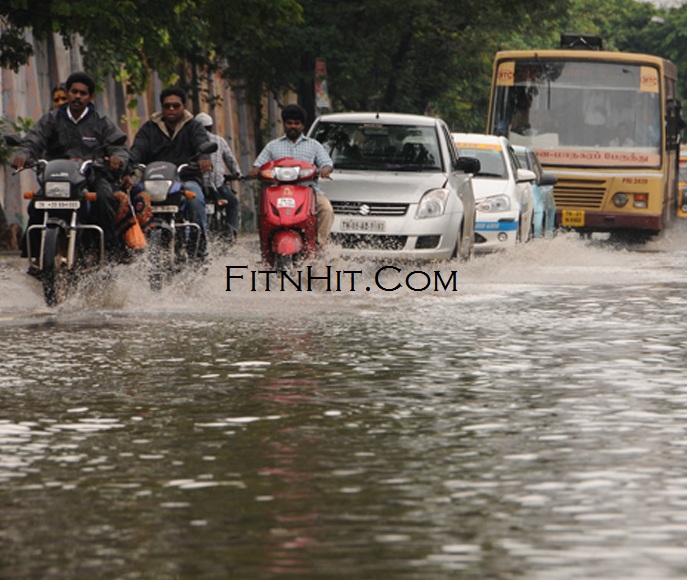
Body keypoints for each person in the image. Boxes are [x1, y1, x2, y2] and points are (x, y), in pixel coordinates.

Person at [12, 71, 129, 261]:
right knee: (36, 205)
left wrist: (117, 157)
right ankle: (34, 256)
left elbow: (119, 146)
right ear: (68, 93)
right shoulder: (51, 120)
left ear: (90, 97)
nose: (77, 96)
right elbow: (33, 141)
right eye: (74, 92)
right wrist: (24, 154)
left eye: (83, 93)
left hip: (91, 176)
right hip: (58, 176)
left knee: (106, 199)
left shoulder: (101, 122)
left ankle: (107, 253)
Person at [127, 87, 212, 258]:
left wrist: (203, 157)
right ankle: (131, 249)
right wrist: (128, 164)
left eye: (176, 105)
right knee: (130, 199)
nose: (171, 109)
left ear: (183, 106)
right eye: (167, 106)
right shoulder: (150, 128)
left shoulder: (193, 126)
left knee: (196, 199)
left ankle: (198, 249)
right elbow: (137, 149)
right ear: (162, 107)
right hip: (154, 182)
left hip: (185, 179)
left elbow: (202, 142)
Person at [248, 104, 334, 248]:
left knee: (326, 209)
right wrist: (255, 171)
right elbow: (259, 165)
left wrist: (325, 170)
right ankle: (266, 244)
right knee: (263, 211)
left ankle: (319, 243)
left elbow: (327, 163)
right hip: (277, 193)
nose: (292, 126)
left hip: (308, 192)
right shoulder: (272, 146)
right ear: (284, 124)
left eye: (297, 123)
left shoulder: (314, 145)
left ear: (302, 126)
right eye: (289, 123)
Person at [195, 112, 242, 238]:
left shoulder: (190, 140)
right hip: (218, 185)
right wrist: (237, 174)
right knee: (233, 203)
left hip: (198, 184)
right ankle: (231, 230)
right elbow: (230, 160)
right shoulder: (219, 140)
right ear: (211, 127)